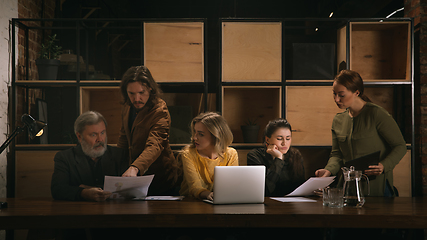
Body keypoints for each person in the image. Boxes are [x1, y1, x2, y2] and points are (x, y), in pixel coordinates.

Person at [315, 70, 406, 197]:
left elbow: (400, 146)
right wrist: (328, 170)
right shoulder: (338, 120)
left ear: (356, 92)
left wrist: (384, 165)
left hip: (376, 187)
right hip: (348, 188)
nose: (336, 99)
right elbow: (337, 154)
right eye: (334, 94)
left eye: (341, 95)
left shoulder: (376, 114)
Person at [118, 65, 180, 196]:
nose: (136, 99)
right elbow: (124, 137)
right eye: (131, 93)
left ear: (150, 88)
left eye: (141, 93)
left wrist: (135, 168)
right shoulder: (127, 105)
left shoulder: (160, 110)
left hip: (161, 178)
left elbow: (155, 145)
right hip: (134, 177)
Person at [51, 111, 128, 201]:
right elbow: (57, 190)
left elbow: (128, 188)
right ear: (79, 136)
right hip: (79, 212)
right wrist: (83, 193)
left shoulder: (119, 155)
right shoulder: (65, 158)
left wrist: (83, 187)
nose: (100, 139)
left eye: (102, 133)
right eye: (93, 135)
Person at [179, 112, 238, 200]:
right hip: (191, 201)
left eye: (201, 134)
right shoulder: (188, 153)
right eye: (195, 132)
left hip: (220, 201)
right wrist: (208, 194)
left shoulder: (231, 154)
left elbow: (232, 185)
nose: (195, 137)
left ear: (216, 136)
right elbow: (195, 187)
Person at [247, 118, 305, 197]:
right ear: (267, 139)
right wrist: (278, 158)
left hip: (291, 205)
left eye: (288, 138)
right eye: (279, 139)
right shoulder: (255, 156)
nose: (284, 143)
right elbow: (265, 190)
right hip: (266, 204)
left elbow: (300, 186)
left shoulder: (295, 155)